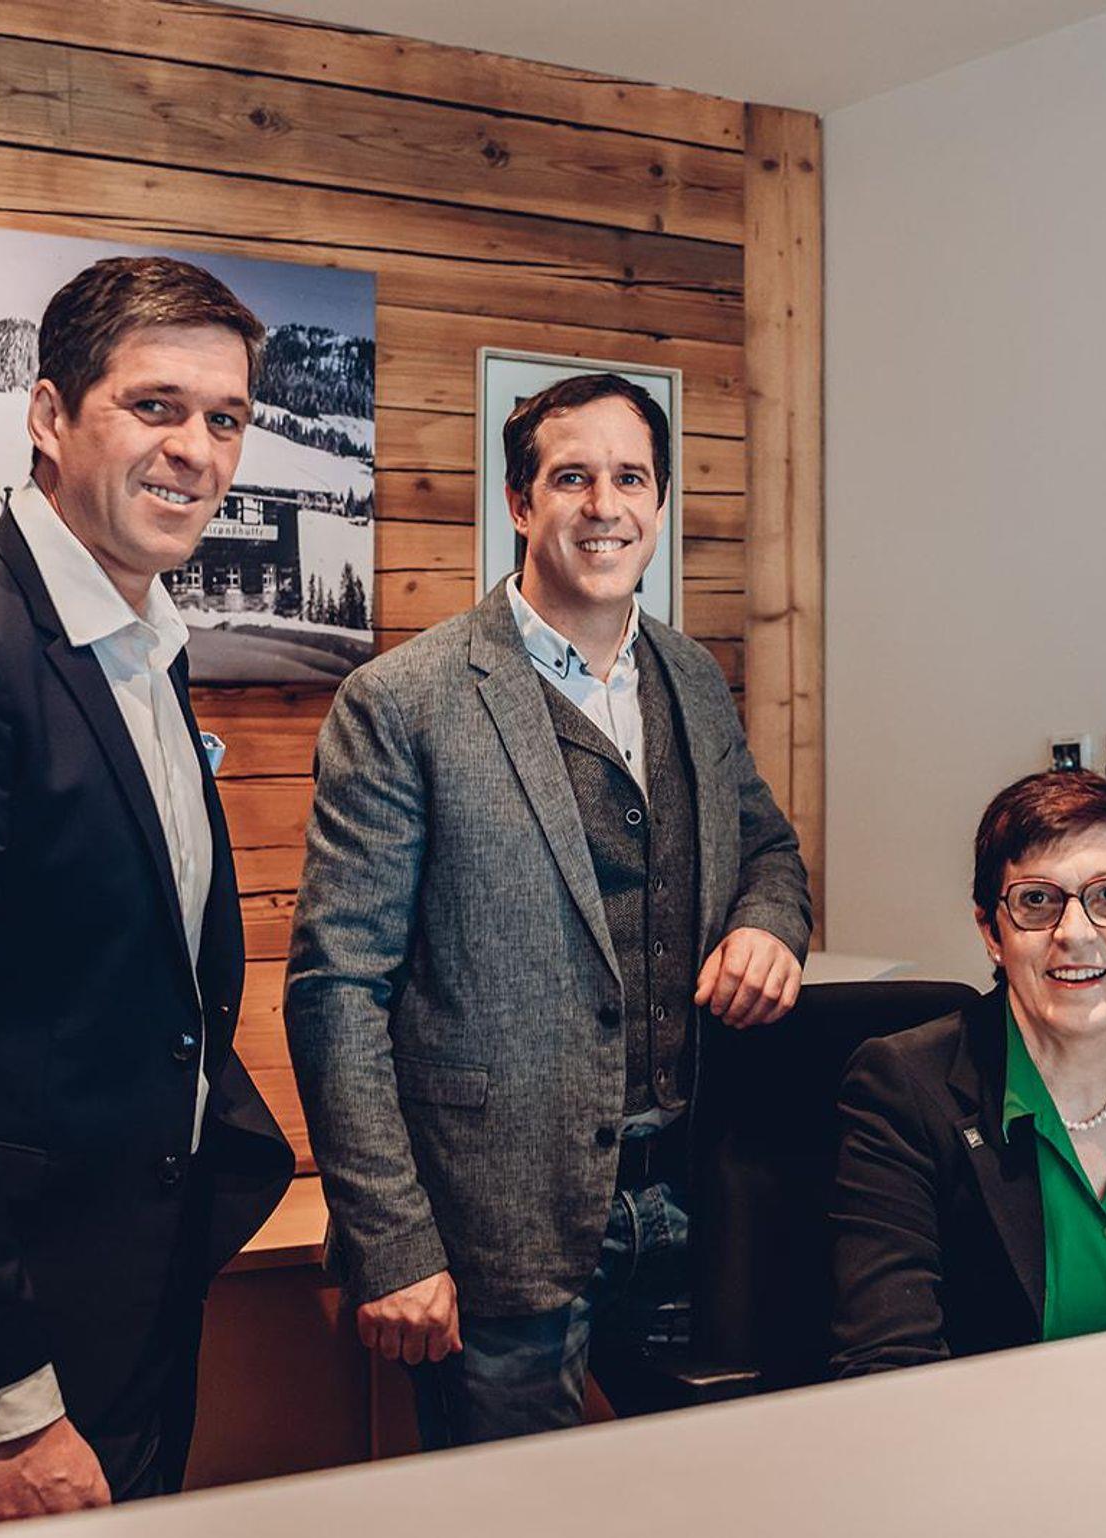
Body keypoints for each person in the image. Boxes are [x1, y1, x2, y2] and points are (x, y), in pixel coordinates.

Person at [0, 257, 293, 1524]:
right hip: (20, 1314)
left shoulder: (143, 641)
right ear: (47, 414)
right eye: (154, 406)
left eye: (225, 418)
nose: (196, 450)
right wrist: (12, 1399)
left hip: (141, 1269)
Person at [284, 372, 812, 1446]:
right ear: (519, 503)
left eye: (630, 478)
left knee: (702, 1499)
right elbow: (337, 988)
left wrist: (767, 921)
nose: (604, 505)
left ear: (660, 502)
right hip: (496, 1230)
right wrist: (392, 1241)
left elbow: (768, 850)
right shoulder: (402, 702)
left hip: (690, 1202)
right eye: (571, 478)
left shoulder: (691, 677)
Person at [829, 770, 1106, 1376]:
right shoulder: (903, 1089)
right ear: (993, 931)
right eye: (1037, 901)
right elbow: (887, 1365)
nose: (1075, 934)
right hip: (987, 1433)